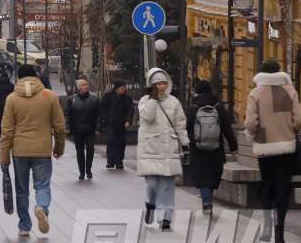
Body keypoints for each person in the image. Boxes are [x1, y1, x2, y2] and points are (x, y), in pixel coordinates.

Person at [0, 64, 65, 237]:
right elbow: (59, 126)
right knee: (42, 185)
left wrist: (4, 156)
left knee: (22, 189)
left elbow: (6, 131)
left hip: (19, 150)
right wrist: (59, 148)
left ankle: (24, 226)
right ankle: (41, 207)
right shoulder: (49, 96)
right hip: (42, 150)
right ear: (36, 76)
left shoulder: (12, 98)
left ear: (19, 78)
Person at [244, 59, 301, 243]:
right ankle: (280, 231)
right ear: (279, 72)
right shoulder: (290, 92)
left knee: (267, 185)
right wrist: (288, 130)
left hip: (265, 148)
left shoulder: (256, 93)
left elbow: (250, 123)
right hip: (286, 148)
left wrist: (255, 134)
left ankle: (267, 226)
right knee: (283, 188)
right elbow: (299, 120)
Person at [137, 67, 189, 232]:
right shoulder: (145, 101)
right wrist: (153, 98)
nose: (162, 86)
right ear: (151, 85)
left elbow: (180, 124)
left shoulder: (174, 102)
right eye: (158, 83)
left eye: (164, 83)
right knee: (152, 185)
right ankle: (151, 205)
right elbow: (147, 117)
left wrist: (185, 144)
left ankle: (166, 218)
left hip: (168, 148)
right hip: (150, 149)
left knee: (167, 186)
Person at [186, 80, 237, 216]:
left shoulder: (193, 108)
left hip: (197, 149)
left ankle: (206, 200)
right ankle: (208, 198)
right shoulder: (219, 108)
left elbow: (185, 128)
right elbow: (227, 128)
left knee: (201, 176)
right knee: (213, 175)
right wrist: (233, 146)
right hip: (216, 148)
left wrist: (184, 145)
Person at [66, 79, 100, 180]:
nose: (85, 86)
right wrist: (68, 128)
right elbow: (68, 115)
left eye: (86, 84)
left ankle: (88, 169)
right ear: (78, 87)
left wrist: (98, 128)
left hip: (90, 129)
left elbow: (98, 115)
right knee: (79, 151)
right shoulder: (72, 99)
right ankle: (81, 171)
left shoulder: (94, 99)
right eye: (83, 85)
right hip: (77, 130)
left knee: (90, 149)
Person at [100, 80, 134, 169]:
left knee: (121, 142)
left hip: (122, 124)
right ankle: (110, 161)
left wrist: (128, 120)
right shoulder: (108, 96)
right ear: (117, 88)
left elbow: (130, 110)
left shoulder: (127, 98)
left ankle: (119, 161)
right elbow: (103, 108)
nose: (124, 89)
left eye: (124, 87)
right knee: (111, 140)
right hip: (111, 123)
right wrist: (106, 118)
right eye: (122, 87)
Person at [0, 73, 15, 138]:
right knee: (9, 119)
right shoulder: (11, 85)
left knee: (0, 118)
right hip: (8, 104)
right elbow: (14, 94)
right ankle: (7, 132)